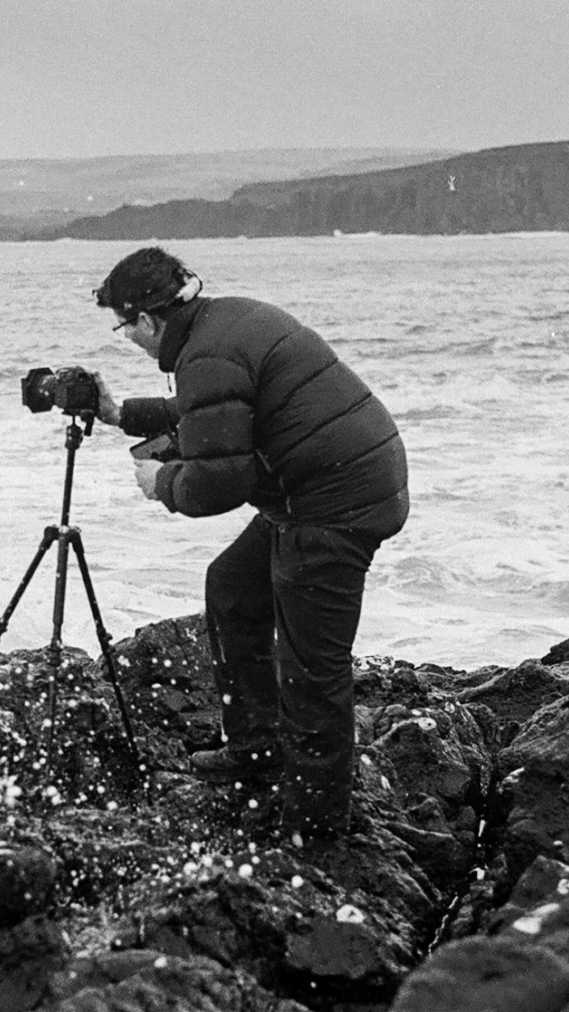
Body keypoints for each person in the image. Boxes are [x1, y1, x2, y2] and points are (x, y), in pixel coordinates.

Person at [91, 246, 409, 837]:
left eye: (122, 328)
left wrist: (162, 482)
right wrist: (118, 414)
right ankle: (256, 751)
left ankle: (316, 827)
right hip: (326, 482)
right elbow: (212, 411)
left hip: (332, 506)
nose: (126, 340)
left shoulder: (205, 353)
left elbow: (221, 483)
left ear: (147, 321)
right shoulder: (222, 321)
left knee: (312, 667)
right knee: (234, 588)